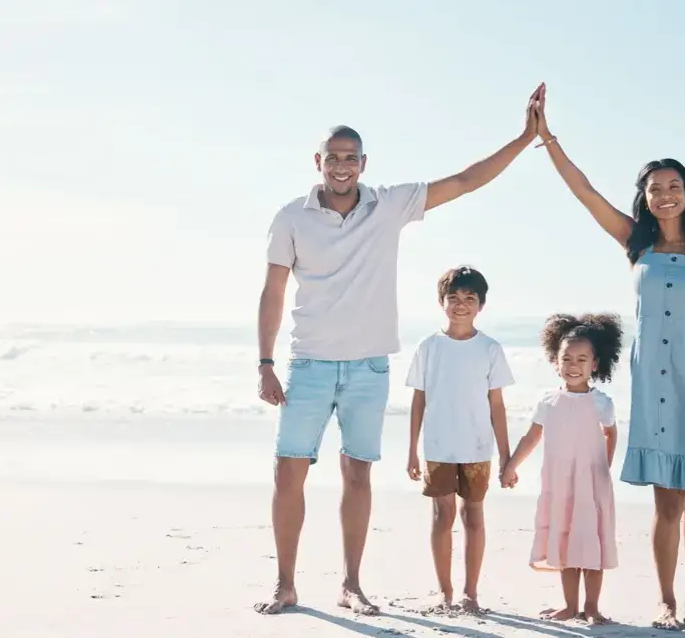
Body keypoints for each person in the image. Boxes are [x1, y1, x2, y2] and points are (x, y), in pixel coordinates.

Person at [253, 83, 544, 616]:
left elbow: (464, 181)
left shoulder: (388, 205)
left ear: (363, 163)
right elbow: (273, 292)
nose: (341, 167)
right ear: (319, 162)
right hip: (309, 363)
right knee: (288, 471)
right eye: (332, 158)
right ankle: (285, 583)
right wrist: (266, 363)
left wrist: (525, 138)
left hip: (368, 367)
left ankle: (351, 584)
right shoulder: (290, 217)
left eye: (350, 159)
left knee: (357, 473)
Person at [531, 88, 685, 630]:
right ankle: (666, 600)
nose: (666, 195)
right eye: (655, 189)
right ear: (645, 197)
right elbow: (584, 192)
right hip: (655, 384)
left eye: (674, 187)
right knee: (666, 500)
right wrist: (546, 137)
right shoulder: (636, 244)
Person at [501, 313, 624, 625]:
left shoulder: (601, 403)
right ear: (555, 361)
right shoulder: (548, 401)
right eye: (566, 358)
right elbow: (532, 437)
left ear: (595, 363)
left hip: (592, 486)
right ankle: (570, 606)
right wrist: (510, 466)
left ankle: (592, 607)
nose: (573, 364)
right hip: (560, 486)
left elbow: (611, 432)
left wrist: (604, 467)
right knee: (567, 544)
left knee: (591, 546)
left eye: (582, 358)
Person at [404, 266, 513, 616]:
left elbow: (497, 405)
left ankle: (470, 593)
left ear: (481, 305)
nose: (461, 305)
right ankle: (444, 592)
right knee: (442, 516)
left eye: (469, 299)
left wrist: (507, 456)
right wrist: (411, 450)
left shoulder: (490, 348)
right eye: (454, 298)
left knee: (474, 516)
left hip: (478, 447)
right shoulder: (429, 346)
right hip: (437, 446)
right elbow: (418, 400)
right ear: (442, 302)